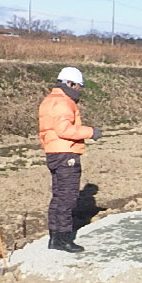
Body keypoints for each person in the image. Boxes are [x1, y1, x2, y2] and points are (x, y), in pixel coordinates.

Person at [38, 67, 101, 253]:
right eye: (79, 86)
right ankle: (64, 240)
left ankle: (54, 238)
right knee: (67, 199)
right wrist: (91, 132)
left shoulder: (48, 100)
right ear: (70, 84)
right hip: (67, 154)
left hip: (53, 152)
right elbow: (64, 130)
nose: (79, 90)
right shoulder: (64, 103)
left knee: (58, 197)